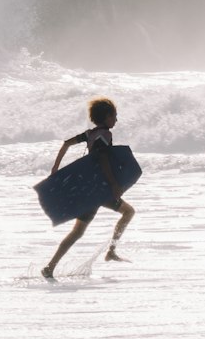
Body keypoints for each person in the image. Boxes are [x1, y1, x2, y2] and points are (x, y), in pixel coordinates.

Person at [41, 97, 136, 279]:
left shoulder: (90, 134)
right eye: (115, 116)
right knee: (129, 212)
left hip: (89, 190)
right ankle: (111, 251)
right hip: (101, 190)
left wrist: (56, 167)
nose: (116, 120)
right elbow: (103, 159)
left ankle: (50, 267)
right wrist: (114, 184)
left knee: (77, 232)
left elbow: (66, 143)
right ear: (107, 117)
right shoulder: (105, 135)